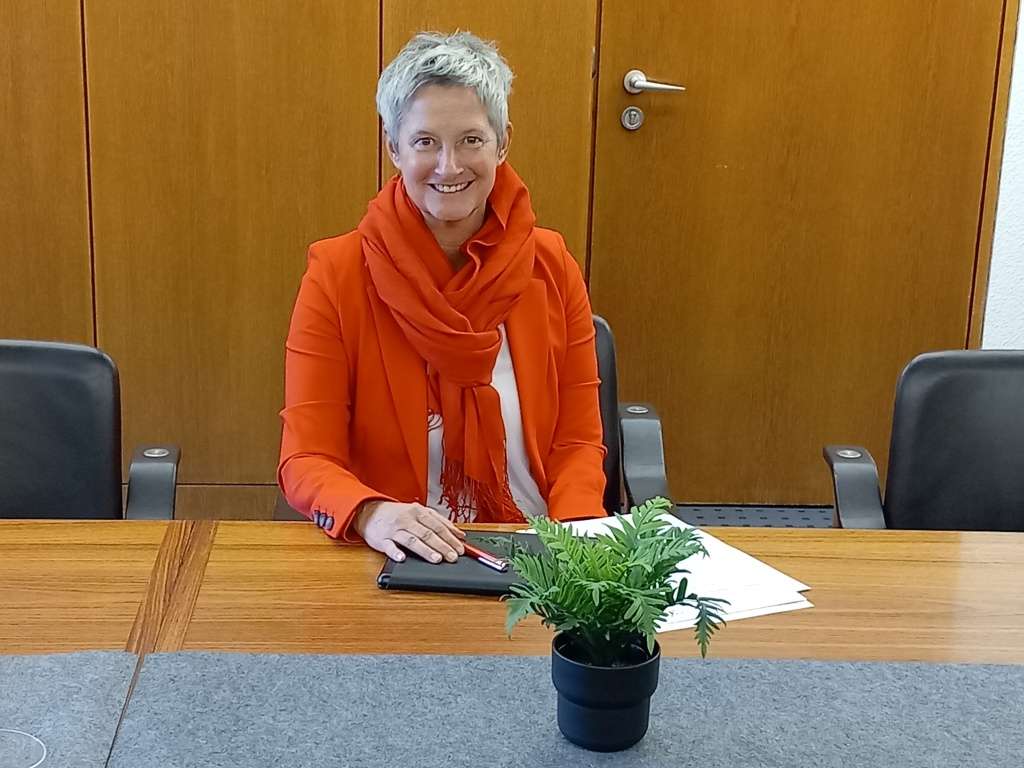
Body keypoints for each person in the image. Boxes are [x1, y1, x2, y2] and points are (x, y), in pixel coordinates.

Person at [278, 31, 606, 566]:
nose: (449, 166)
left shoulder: (552, 265)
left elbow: (578, 443)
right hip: (398, 555)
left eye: (471, 140)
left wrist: (575, 551)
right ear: (394, 148)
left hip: (540, 551)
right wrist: (371, 513)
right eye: (426, 141)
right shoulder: (336, 274)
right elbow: (306, 457)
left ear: (502, 143)